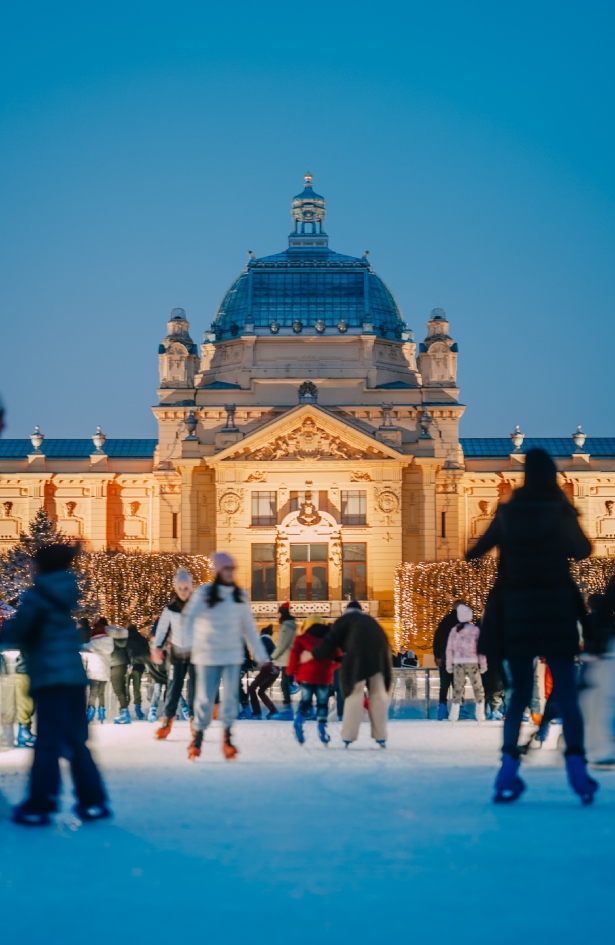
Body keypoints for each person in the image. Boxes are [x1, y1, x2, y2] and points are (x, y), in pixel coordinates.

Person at [467, 447, 597, 804]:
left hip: (517, 613)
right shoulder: (559, 510)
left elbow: (473, 553)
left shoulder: (509, 512)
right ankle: (577, 771)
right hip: (556, 609)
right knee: (567, 697)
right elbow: (584, 549)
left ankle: (507, 770)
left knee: (519, 695)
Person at [0, 543, 109, 825]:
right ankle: (93, 801)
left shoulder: (38, 596)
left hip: (50, 678)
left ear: (43, 566)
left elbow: (19, 630)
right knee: (76, 741)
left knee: (47, 742)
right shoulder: (64, 591)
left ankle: (41, 803)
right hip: (72, 678)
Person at [182, 552, 270, 761]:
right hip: (207, 654)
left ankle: (227, 738)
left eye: (232, 569)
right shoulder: (203, 594)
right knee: (204, 698)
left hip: (231, 655)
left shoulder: (239, 595)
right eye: (226, 569)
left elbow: (249, 628)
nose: (230, 573)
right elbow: (189, 619)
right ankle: (198, 739)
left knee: (230, 698)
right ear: (217, 571)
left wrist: (261, 656)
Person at [306, 600, 392, 748]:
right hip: (379, 661)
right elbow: (385, 645)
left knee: (354, 696)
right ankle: (381, 736)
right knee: (378, 696)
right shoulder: (371, 621)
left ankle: (348, 736)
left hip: (356, 661)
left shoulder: (345, 620)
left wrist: (314, 655)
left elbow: (330, 641)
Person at [152, 568, 194, 739]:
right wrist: (158, 647)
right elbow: (162, 630)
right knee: (173, 687)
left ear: (191, 588)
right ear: (176, 589)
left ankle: (195, 721)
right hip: (176, 651)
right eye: (180, 588)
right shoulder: (169, 609)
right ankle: (167, 721)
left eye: (186, 588)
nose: (183, 591)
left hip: (194, 652)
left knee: (194, 688)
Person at [287, 615, 340, 745]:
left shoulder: (301, 639)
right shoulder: (329, 639)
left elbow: (294, 657)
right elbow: (338, 657)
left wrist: (290, 672)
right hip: (323, 677)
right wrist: (330, 667)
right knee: (322, 703)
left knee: (305, 701)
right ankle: (322, 729)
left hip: (306, 676)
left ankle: (298, 720)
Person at [445, 604, 487, 721]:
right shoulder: (475, 630)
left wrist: (449, 664)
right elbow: (481, 649)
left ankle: (454, 713)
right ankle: (480, 712)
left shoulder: (454, 631)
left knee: (458, 688)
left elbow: (449, 649)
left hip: (458, 663)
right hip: (472, 662)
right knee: (478, 687)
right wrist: (483, 664)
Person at [432, 600, 464, 720]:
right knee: (458, 684)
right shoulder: (462, 623)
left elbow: (437, 639)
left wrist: (437, 656)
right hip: (458, 658)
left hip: (445, 658)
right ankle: (459, 709)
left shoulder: (444, 622)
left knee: (444, 684)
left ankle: (442, 708)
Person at [81, 622, 114, 723]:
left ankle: (90, 713)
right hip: (104, 672)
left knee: (93, 693)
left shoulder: (92, 644)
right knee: (101, 693)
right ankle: (102, 714)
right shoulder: (109, 643)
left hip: (93, 672)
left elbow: (82, 650)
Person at [270, 603, 297, 719]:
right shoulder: (289, 625)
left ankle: (288, 709)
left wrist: (272, 657)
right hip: (288, 658)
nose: (277, 616)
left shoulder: (286, 627)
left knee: (284, 684)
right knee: (285, 683)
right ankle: (288, 707)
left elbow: (282, 645)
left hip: (286, 659)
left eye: (278, 613)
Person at [248, 625, 280, 718]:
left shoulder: (261, 640)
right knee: (261, 691)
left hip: (268, 668)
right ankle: (273, 711)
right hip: (276, 669)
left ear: (261, 633)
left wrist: (254, 663)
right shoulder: (271, 642)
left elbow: (257, 655)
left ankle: (257, 713)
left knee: (252, 688)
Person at [126, 623, 150, 720]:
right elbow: (147, 653)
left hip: (127, 666)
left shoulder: (125, 640)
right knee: (137, 688)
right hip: (139, 666)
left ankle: (125, 709)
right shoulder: (142, 639)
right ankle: (137, 709)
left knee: (125, 687)